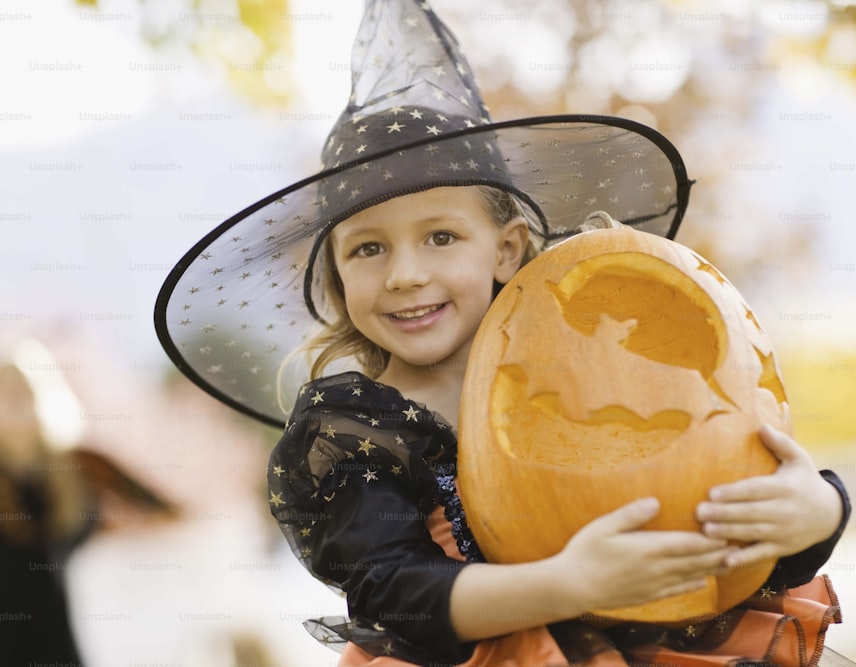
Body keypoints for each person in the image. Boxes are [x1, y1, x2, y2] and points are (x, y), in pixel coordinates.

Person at [153, 1, 849, 665]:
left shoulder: (594, 374)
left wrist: (817, 510)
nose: (403, 273)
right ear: (336, 278)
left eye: (441, 236)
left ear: (507, 250)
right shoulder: (354, 431)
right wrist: (569, 583)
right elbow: (395, 588)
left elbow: (721, 501)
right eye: (368, 248)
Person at [0, 340, 178, 667]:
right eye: (0, 392)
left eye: (22, 390)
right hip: (2, 648)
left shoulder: (76, 472)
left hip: (70, 646)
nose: (12, 403)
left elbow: (152, 511)